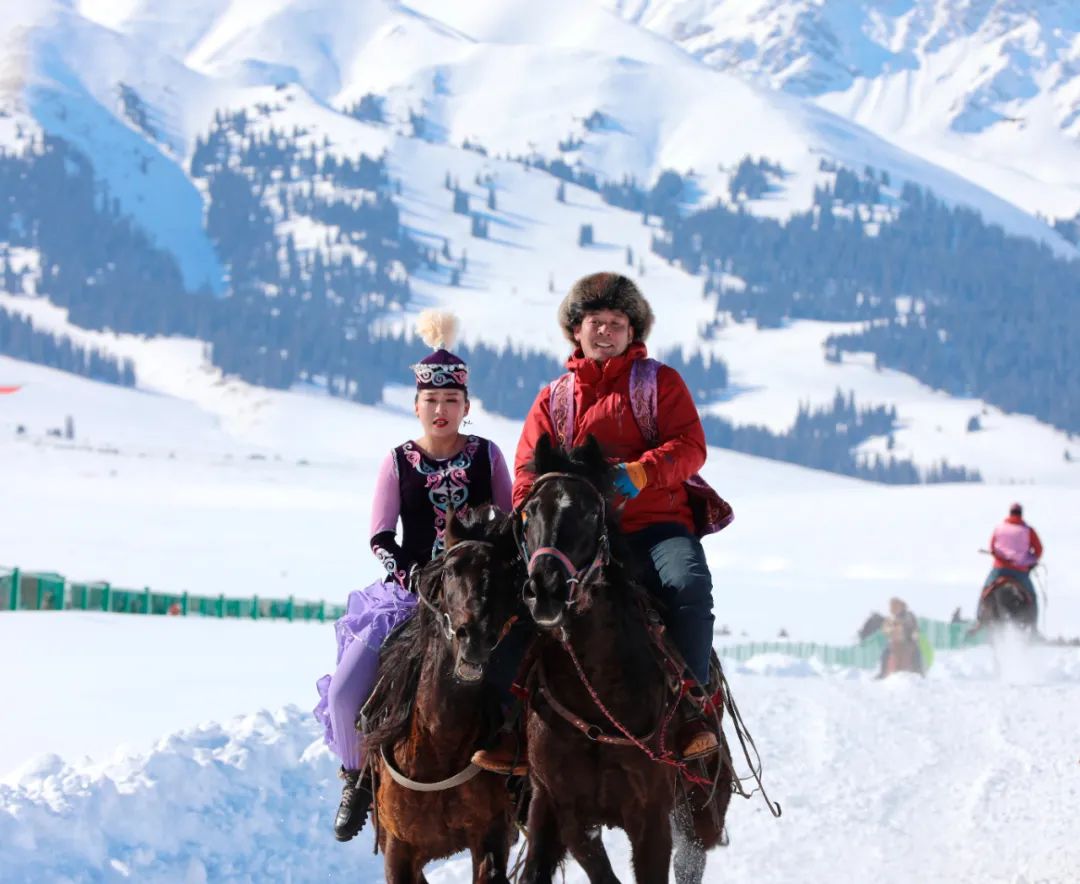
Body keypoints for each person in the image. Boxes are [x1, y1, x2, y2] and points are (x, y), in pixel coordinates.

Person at [487, 271, 721, 764]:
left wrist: (642, 471)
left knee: (688, 587)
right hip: (577, 539)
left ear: (633, 332)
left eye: (617, 322)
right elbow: (527, 473)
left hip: (655, 525)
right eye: (596, 321)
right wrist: (538, 511)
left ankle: (690, 713)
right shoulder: (554, 398)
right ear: (576, 329)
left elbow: (691, 446)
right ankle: (506, 726)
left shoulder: (660, 383)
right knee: (516, 599)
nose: (606, 331)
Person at [313, 310, 512, 842]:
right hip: (407, 596)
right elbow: (381, 536)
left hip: (477, 595)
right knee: (345, 694)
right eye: (431, 401)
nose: (441, 410)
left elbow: (508, 525)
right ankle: (357, 779)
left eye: (451, 402)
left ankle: (527, 773)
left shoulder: (488, 457)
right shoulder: (397, 462)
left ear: (466, 407)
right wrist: (414, 577)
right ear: (416, 406)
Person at [984, 502, 1042, 608]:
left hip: (1000, 569)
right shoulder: (1028, 530)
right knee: (1032, 596)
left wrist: (999, 557)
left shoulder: (999, 528)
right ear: (1021, 514)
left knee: (985, 591)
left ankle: (979, 618)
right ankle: (1033, 623)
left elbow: (992, 547)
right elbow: (1038, 550)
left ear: (1010, 513)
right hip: (1020, 571)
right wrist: (1031, 561)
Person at [875, 597, 923, 678]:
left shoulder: (909, 616)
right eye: (891, 606)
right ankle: (882, 672)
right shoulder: (890, 618)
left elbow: (916, 628)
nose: (892, 608)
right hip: (894, 640)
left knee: (917, 652)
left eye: (894, 606)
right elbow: (884, 628)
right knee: (885, 653)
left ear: (900, 606)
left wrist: (915, 634)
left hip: (909, 640)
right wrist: (890, 630)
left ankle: (919, 671)